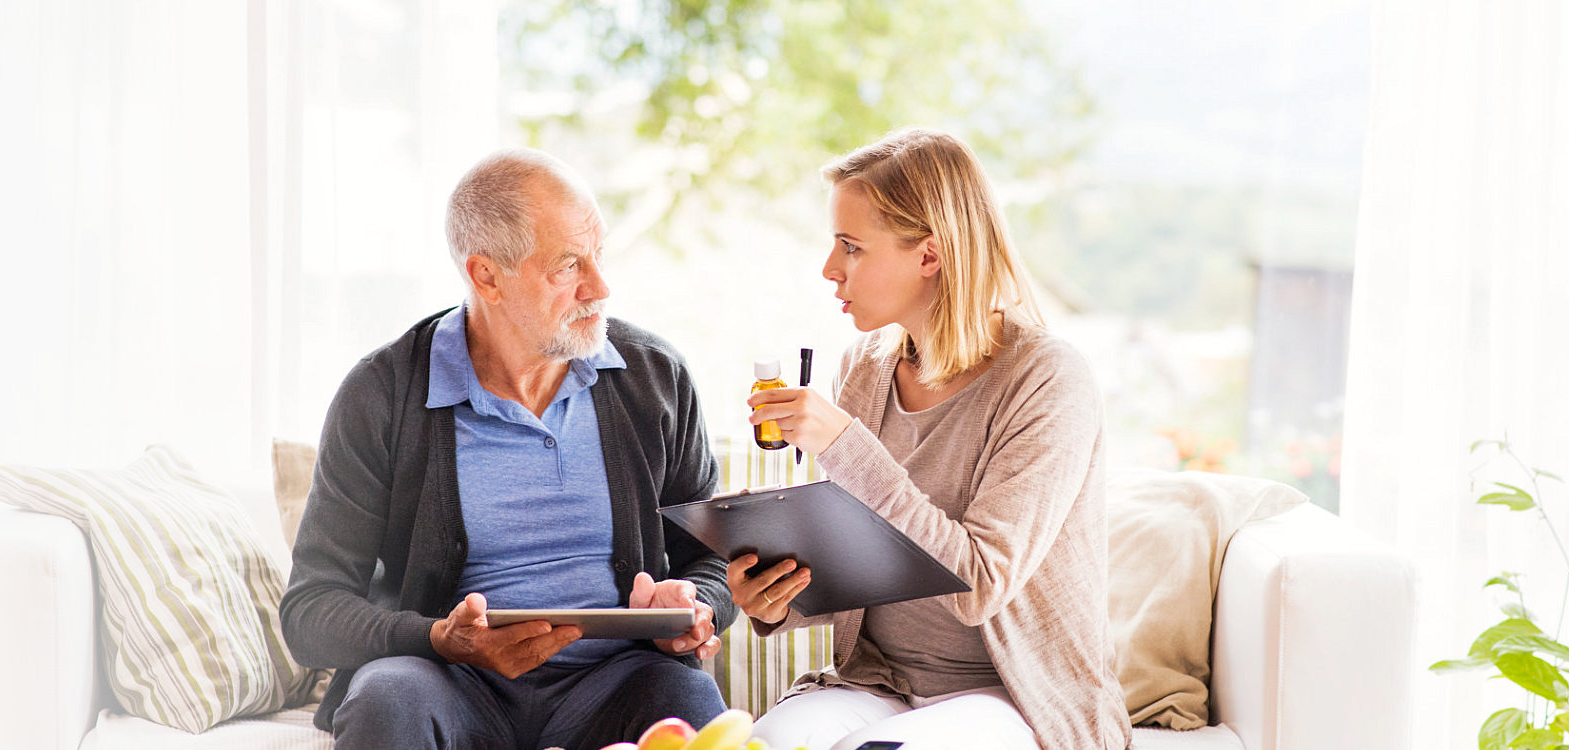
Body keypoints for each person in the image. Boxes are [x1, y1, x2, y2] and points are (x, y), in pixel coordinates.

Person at [280, 148, 735, 750]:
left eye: (598, 254)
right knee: (386, 698)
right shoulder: (382, 393)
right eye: (568, 265)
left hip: (617, 680)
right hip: (448, 681)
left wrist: (694, 606)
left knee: (689, 702)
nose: (600, 286)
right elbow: (310, 612)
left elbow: (713, 560)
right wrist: (439, 637)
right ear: (486, 276)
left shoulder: (654, 377)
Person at [734, 129, 1132, 750]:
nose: (829, 268)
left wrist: (847, 445)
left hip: (1013, 695)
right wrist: (778, 599)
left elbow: (979, 585)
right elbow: (863, 557)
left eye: (851, 247)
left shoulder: (1048, 380)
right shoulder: (865, 365)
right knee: (768, 743)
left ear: (930, 255)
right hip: (879, 682)